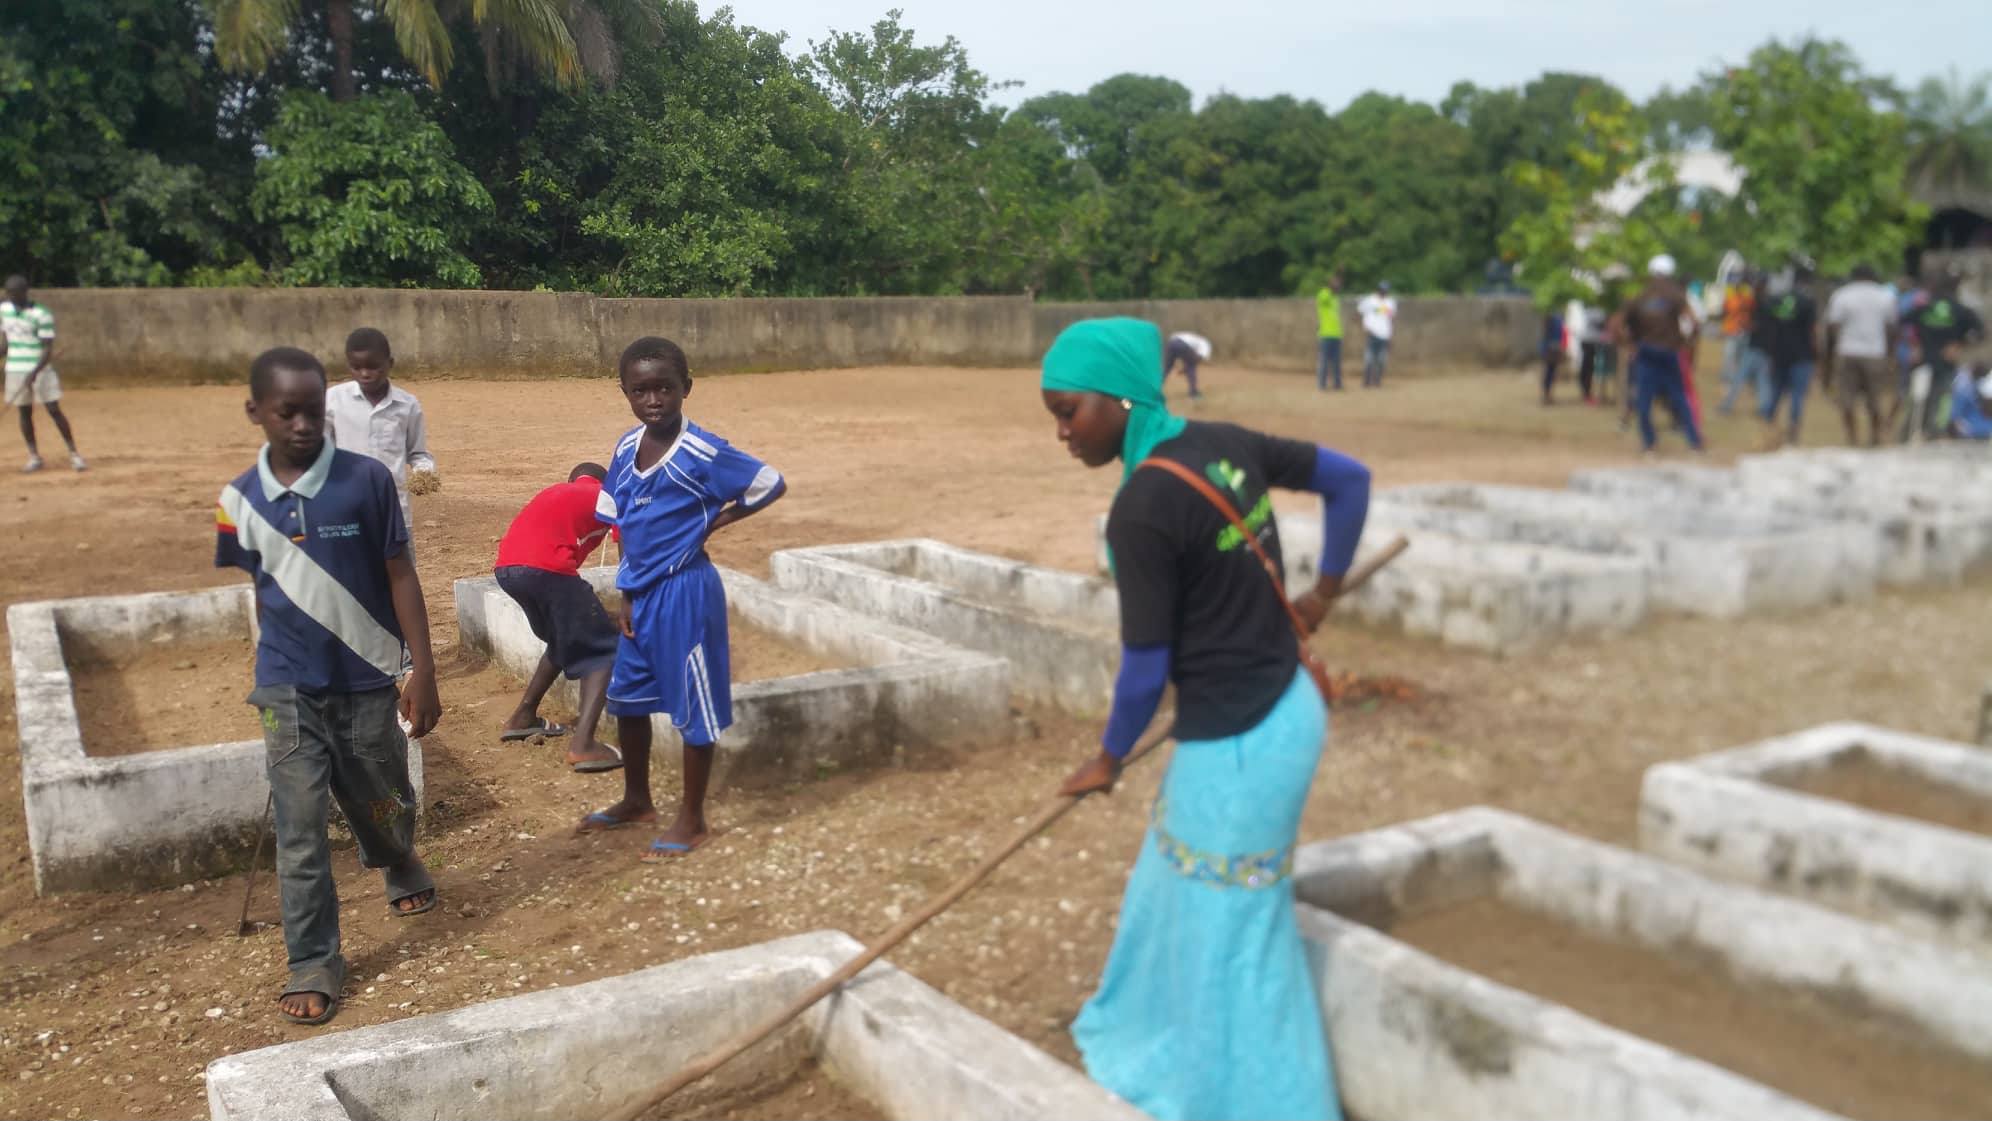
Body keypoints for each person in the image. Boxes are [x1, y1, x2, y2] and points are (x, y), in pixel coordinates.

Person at [1040, 317, 1370, 1121]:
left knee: (1236, 931)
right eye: (1052, 411)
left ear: (1120, 400)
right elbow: (1350, 478)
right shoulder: (1224, 441)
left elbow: (1147, 668)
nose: (1060, 430)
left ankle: (1265, 1099)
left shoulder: (1140, 513)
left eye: (1070, 409)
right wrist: (1322, 593)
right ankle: (1157, 1035)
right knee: (1167, 884)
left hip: (1246, 743)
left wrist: (1109, 756)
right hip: (1279, 708)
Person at [215, 346, 440, 1027]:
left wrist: (421, 669)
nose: (305, 424)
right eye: (288, 412)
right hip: (287, 689)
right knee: (301, 825)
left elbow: (400, 573)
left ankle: (398, 859)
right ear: (256, 411)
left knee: (383, 799)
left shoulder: (367, 481)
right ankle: (313, 957)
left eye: (315, 411)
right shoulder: (238, 501)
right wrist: (278, 668)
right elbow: (260, 588)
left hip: (368, 676)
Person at [577, 337, 786, 859]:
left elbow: (768, 482)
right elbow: (624, 522)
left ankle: (692, 818)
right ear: (625, 393)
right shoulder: (626, 448)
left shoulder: (703, 451)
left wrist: (717, 521)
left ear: (685, 389)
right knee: (627, 698)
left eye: (665, 388)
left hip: (686, 591)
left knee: (693, 706)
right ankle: (637, 799)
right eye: (641, 390)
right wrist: (625, 592)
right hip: (640, 595)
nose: (654, 400)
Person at [492, 463, 626, 773]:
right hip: (546, 568)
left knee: (561, 637)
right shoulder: (608, 494)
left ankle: (522, 717)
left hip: (507, 570)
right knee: (604, 649)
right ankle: (584, 745)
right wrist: (632, 597)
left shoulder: (555, 492)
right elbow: (626, 541)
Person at [327, 327, 437, 551]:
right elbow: (322, 453)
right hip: (346, 510)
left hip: (394, 511)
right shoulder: (333, 401)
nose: (365, 374)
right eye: (356, 367)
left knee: (400, 571)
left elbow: (418, 454)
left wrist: (424, 473)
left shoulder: (407, 405)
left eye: (373, 367)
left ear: (390, 363)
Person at [1616, 254, 1704, 456]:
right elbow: (1695, 322)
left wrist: (1630, 345)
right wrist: (1687, 342)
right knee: (1679, 398)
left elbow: (1619, 326)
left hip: (1645, 353)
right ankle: (1694, 442)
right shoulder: (1676, 295)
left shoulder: (1640, 296)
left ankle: (1649, 445)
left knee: (1643, 401)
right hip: (1669, 353)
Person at [3, 275, 85, 473]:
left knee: (53, 409)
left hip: (40, 369)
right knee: (24, 412)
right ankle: (34, 456)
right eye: (8, 293)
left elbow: (47, 348)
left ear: (25, 292)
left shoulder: (42, 314)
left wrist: (35, 371)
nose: (10, 297)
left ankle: (74, 454)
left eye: (14, 293)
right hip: (14, 368)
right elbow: (6, 342)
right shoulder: (4, 311)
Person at [1823, 264, 1900, 447]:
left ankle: (1852, 438)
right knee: (1874, 399)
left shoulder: (1842, 295)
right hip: (1875, 353)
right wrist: (1890, 354)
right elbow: (1891, 328)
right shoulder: (1885, 296)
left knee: (1847, 400)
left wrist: (1830, 355)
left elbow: (1833, 327)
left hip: (1847, 351)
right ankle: (1875, 437)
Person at [1904, 273, 1986, 442]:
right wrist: (1960, 344)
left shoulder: (1926, 307)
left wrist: (1914, 344)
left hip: (1926, 361)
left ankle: (1919, 432)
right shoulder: (1960, 309)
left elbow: (1902, 322)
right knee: (1940, 397)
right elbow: (1981, 332)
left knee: (1921, 398)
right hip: (1941, 362)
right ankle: (1929, 432)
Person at [1757, 266, 1820, 448]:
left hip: (1779, 353)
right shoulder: (1808, 302)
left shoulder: (1775, 301)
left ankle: (1767, 426)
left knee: (1776, 392)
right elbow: (1813, 331)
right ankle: (1793, 433)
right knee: (1797, 396)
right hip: (1802, 355)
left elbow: (1767, 327)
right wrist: (1818, 356)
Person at [1716, 276, 1756, 413]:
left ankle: (1743, 380)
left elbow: (1752, 312)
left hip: (1743, 331)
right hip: (1731, 330)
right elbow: (1724, 312)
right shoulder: (1730, 298)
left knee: (1740, 358)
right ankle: (1727, 378)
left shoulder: (1748, 298)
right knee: (1729, 355)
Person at [1357, 280, 1397, 387]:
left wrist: (1390, 334)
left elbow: (1392, 318)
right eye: (1382, 290)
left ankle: (1377, 381)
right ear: (1378, 289)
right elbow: (1360, 311)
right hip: (1372, 333)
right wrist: (1365, 326)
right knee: (1369, 359)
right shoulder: (1370, 300)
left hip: (1384, 335)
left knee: (1381, 360)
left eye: (1386, 290)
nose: (1384, 292)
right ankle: (1366, 381)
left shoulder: (1390, 302)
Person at [1315, 272, 1345, 391]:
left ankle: (1337, 384)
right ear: (1329, 284)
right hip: (1325, 334)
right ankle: (1322, 384)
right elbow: (1325, 296)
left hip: (1337, 334)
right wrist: (1332, 285)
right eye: (1335, 283)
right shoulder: (1323, 294)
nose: (1338, 286)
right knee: (1324, 361)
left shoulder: (1336, 299)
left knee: (1336, 362)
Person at [1162, 331, 1211, 399]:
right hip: (1181, 343)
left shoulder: (1195, 340)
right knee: (1192, 366)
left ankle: (1153, 390)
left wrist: (1184, 370)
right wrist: (1186, 369)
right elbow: (1198, 358)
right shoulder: (1206, 344)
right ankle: (1193, 393)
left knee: (1166, 369)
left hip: (1171, 343)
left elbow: (1189, 358)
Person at [1540, 307, 1566, 405]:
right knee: (1549, 373)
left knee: (1551, 372)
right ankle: (1547, 395)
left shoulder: (1557, 318)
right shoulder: (1551, 319)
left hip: (1554, 348)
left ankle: (1549, 395)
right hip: (1549, 349)